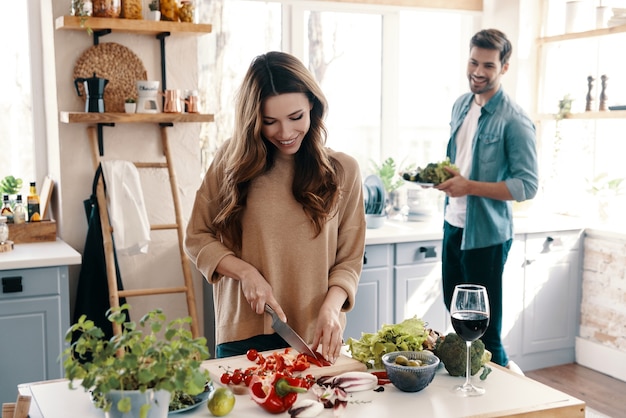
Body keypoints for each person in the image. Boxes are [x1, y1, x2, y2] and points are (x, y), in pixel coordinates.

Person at [184, 51, 366, 363]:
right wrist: (245, 273)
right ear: (253, 119)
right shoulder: (231, 161)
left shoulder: (343, 170)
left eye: (296, 117)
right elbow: (197, 237)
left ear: (312, 103)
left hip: (313, 336)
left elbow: (349, 260)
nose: (285, 133)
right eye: (270, 122)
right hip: (242, 336)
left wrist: (331, 308)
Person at [436, 29, 539, 371]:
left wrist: (469, 187)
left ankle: (510, 396)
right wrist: (445, 178)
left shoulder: (515, 120)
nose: (478, 71)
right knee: (458, 325)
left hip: (488, 237)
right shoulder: (460, 105)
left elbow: (527, 185)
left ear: (505, 68)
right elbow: (462, 161)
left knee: (486, 334)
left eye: (488, 66)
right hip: (454, 226)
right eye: (473, 62)